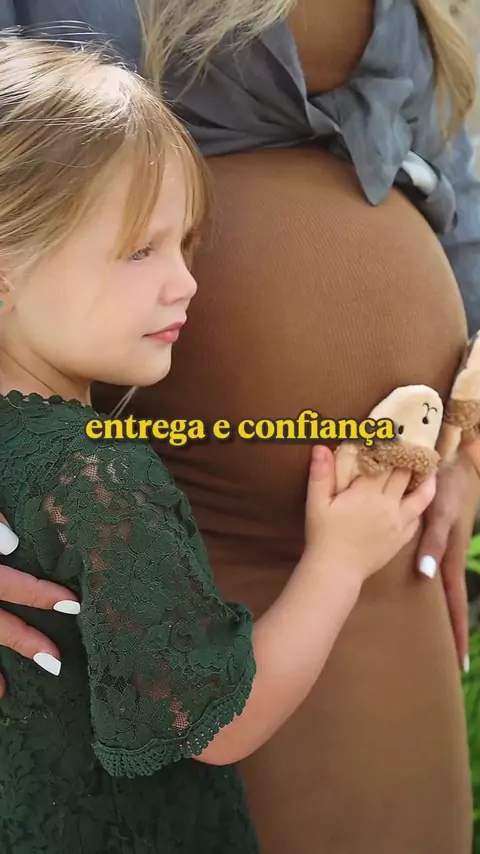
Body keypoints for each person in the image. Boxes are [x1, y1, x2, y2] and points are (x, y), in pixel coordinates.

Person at [0, 2, 478, 852]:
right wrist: (337, 562)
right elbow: (212, 719)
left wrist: (468, 446)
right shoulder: (95, 475)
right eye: (144, 249)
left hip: (380, 544)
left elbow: (458, 195)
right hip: (240, 551)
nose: (186, 281)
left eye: (190, 243)